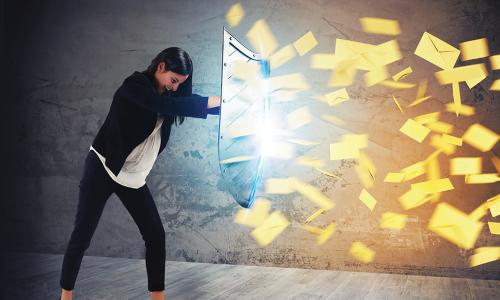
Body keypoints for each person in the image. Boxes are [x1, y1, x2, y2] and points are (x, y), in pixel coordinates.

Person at [58, 47, 221, 300]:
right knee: (82, 234)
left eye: (180, 84)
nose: (175, 87)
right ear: (161, 67)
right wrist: (210, 101)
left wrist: (232, 104)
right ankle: (65, 295)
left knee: (155, 236)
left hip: (133, 177)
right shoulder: (134, 85)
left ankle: (157, 297)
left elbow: (184, 105)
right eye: (173, 80)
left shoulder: (170, 98)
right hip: (103, 166)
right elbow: (158, 104)